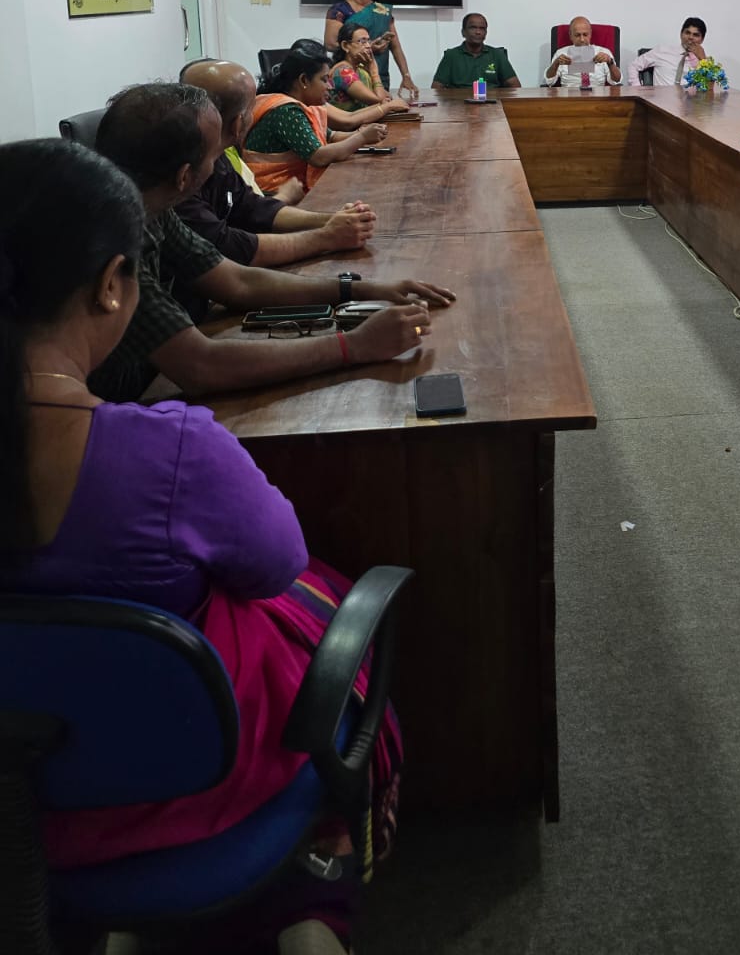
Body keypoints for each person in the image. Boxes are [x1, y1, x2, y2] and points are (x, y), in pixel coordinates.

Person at [0, 137, 404, 950]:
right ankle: (315, 873)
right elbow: (277, 563)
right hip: (184, 768)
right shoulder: (171, 451)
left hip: (21, 793)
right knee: (312, 602)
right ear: (112, 285)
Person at [89, 83, 453, 404]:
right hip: (113, 410)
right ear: (185, 176)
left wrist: (365, 289)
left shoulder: (151, 205)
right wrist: (355, 345)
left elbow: (237, 282)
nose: (220, 165)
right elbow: (202, 366)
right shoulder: (116, 242)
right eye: (215, 156)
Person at [177, 59, 379, 268]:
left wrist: (333, 220)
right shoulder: (183, 178)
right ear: (238, 124)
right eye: (251, 107)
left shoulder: (217, 157)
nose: (329, 86)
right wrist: (327, 236)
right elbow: (232, 250)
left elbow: (251, 207)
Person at [244, 45, 392, 194]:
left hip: (290, 188)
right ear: (304, 80)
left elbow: (331, 136)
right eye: (324, 80)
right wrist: (362, 137)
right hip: (271, 194)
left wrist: (363, 133)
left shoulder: (305, 106)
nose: (330, 87)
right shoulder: (286, 111)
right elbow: (319, 156)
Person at [323, 0, 417, 96]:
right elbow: (330, 44)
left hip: (379, 76)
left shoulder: (382, 10)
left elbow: (395, 46)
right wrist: (367, 48)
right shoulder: (339, 10)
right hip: (350, 78)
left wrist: (406, 76)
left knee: (383, 105)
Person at [328, 22, 421, 117]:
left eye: (368, 41)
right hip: (347, 125)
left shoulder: (361, 71)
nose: (368, 46)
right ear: (345, 46)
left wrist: (369, 70)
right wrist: (374, 71)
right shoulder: (343, 72)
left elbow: (387, 97)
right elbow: (380, 101)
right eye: (362, 41)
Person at [432, 14, 521, 88]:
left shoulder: (497, 55)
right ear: (463, 32)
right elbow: (436, 87)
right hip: (459, 101)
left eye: (482, 28)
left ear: (486, 33)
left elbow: (515, 85)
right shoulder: (451, 55)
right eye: (473, 27)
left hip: (491, 101)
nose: (478, 32)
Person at [627, 18, 708, 87]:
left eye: (695, 35)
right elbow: (633, 65)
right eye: (687, 33)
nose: (690, 37)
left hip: (690, 100)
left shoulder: (703, 62)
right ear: (681, 34)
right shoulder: (662, 50)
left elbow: (709, 87)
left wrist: (703, 59)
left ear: (702, 39)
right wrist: (637, 89)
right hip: (661, 99)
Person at [544, 17, 622, 86]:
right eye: (577, 35)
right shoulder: (561, 53)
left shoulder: (604, 52)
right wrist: (556, 63)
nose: (582, 39)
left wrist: (610, 62)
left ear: (590, 34)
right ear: (570, 35)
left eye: (585, 35)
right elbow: (549, 81)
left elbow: (616, 81)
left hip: (597, 93)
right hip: (569, 93)